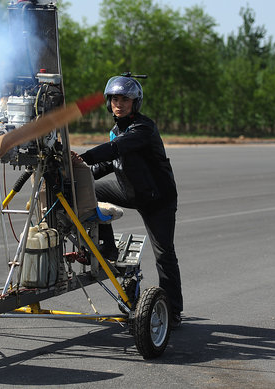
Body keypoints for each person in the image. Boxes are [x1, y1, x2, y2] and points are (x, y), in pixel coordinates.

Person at [76, 75, 183, 327]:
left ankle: (174, 311)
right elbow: (104, 165)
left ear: (136, 103)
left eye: (125, 99)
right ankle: (107, 247)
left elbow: (115, 150)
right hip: (129, 191)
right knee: (92, 189)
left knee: (164, 255)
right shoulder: (115, 131)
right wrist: (75, 173)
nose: (119, 104)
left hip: (158, 199)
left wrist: (83, 157)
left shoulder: (144, 129)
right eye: (114, 98)